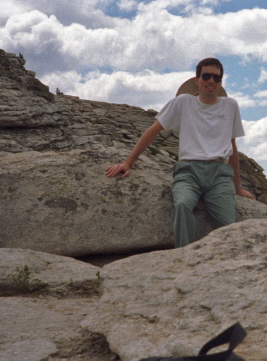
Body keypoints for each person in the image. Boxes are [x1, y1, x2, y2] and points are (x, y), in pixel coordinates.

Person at [106, 57, 255, 248]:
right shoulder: (183, 102)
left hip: (219, 175)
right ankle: (183, 256)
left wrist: (237, 187)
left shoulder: (230, 106)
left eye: (216, 78)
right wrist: (128, 163)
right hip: (188, 172)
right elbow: (152, 131)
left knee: (228, 223)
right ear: (197, 80)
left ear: (220, 82)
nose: (211, 81)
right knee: (183, 205)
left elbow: (232, 146)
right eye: (206, 76)